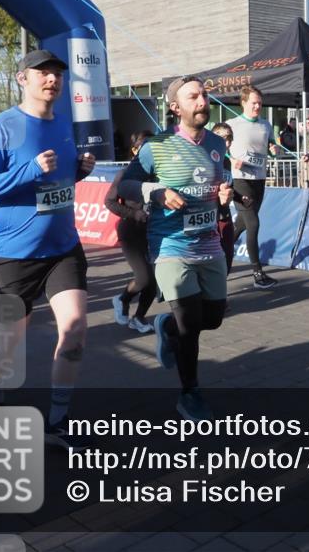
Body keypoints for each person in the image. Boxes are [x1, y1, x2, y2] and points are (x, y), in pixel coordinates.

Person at [0, 49, 95, 449]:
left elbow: (56, 183)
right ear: (22, 79)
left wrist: (79, 171)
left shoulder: (64, 124)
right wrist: (29, 169)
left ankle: (57, 421)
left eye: (57, 73)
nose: (52, 79)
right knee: (7, 343)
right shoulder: (2, 127)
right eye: (43, 73)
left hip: (62, 248)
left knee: (75, 330)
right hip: (14, 254)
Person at [118, 76, 233, 422]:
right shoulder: (157, 146)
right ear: (175, 107)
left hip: (209, 243)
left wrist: (224, 195)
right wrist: (155, 192)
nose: (202, 101)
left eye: (204, 95)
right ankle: (189, 393)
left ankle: (165, 326)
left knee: (213, 318)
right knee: (190, 326)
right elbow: (125, 184)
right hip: (170, 246)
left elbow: (221, 179)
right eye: (193, 96)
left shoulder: (217, 143)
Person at [225, 85, 278, 289]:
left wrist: (273, 148)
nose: (257, 106)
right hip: (240, 180)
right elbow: (218, 147)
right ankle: (257, 274)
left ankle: (219, 256)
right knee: (253, 224)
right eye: (254, 103)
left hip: (259, 179)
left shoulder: (266, 125)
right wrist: (231, 159)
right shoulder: (232, 124)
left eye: (260, 103)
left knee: (241, 225)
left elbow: (271, 146)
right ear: (244, 103)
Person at [106, 130, 158, 333]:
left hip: (155, 230)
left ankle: (139, 318)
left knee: (155, 280)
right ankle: (123, 298)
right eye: (145, 147)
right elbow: (109, 202)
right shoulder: (125, 174)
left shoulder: (161, 173)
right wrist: (134, 213)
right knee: (144, 278)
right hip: (131, 230)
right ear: (135, 150)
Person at [211, 122, 237, 273]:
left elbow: (229, 185)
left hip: (225, 215)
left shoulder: (226, 161)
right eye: (224, 138)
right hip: (209, 218)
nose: (228, 143)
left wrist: (239, 196)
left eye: (230, 138)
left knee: (227, 259)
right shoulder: (206, 158)